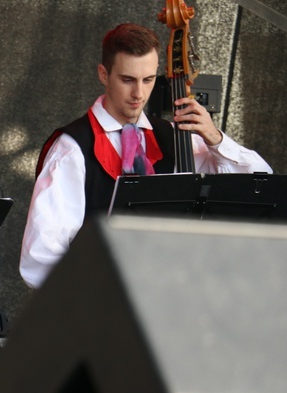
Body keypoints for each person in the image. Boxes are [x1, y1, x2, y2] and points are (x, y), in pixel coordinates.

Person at [19, 23, 272, 289]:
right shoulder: (72, 149)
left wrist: (216, 139)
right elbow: (41, 257)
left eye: (148, 80)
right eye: (127, 80)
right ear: (104, 74)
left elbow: (260, 185)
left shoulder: (176, 139)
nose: (139, 94)